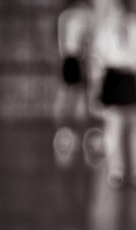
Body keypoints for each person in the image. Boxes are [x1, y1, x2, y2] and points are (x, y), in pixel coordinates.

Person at [91, 0, 136, 187]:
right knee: (113, 127)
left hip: (129, 77)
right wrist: (98, 86)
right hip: (113, 77)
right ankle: (116, 170)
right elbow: (100, 56)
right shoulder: (105, 29)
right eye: (114, 11)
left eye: (119, 10)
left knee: (135, 125)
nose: (117, 14)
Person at [54, 0, 93, 168]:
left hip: (69, 58)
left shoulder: (66, 16)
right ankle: (70, 134)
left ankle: (67, 133)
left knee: (70, 96)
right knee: (75, 97)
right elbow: (84, 40)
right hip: (75, 59)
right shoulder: (78, 16)